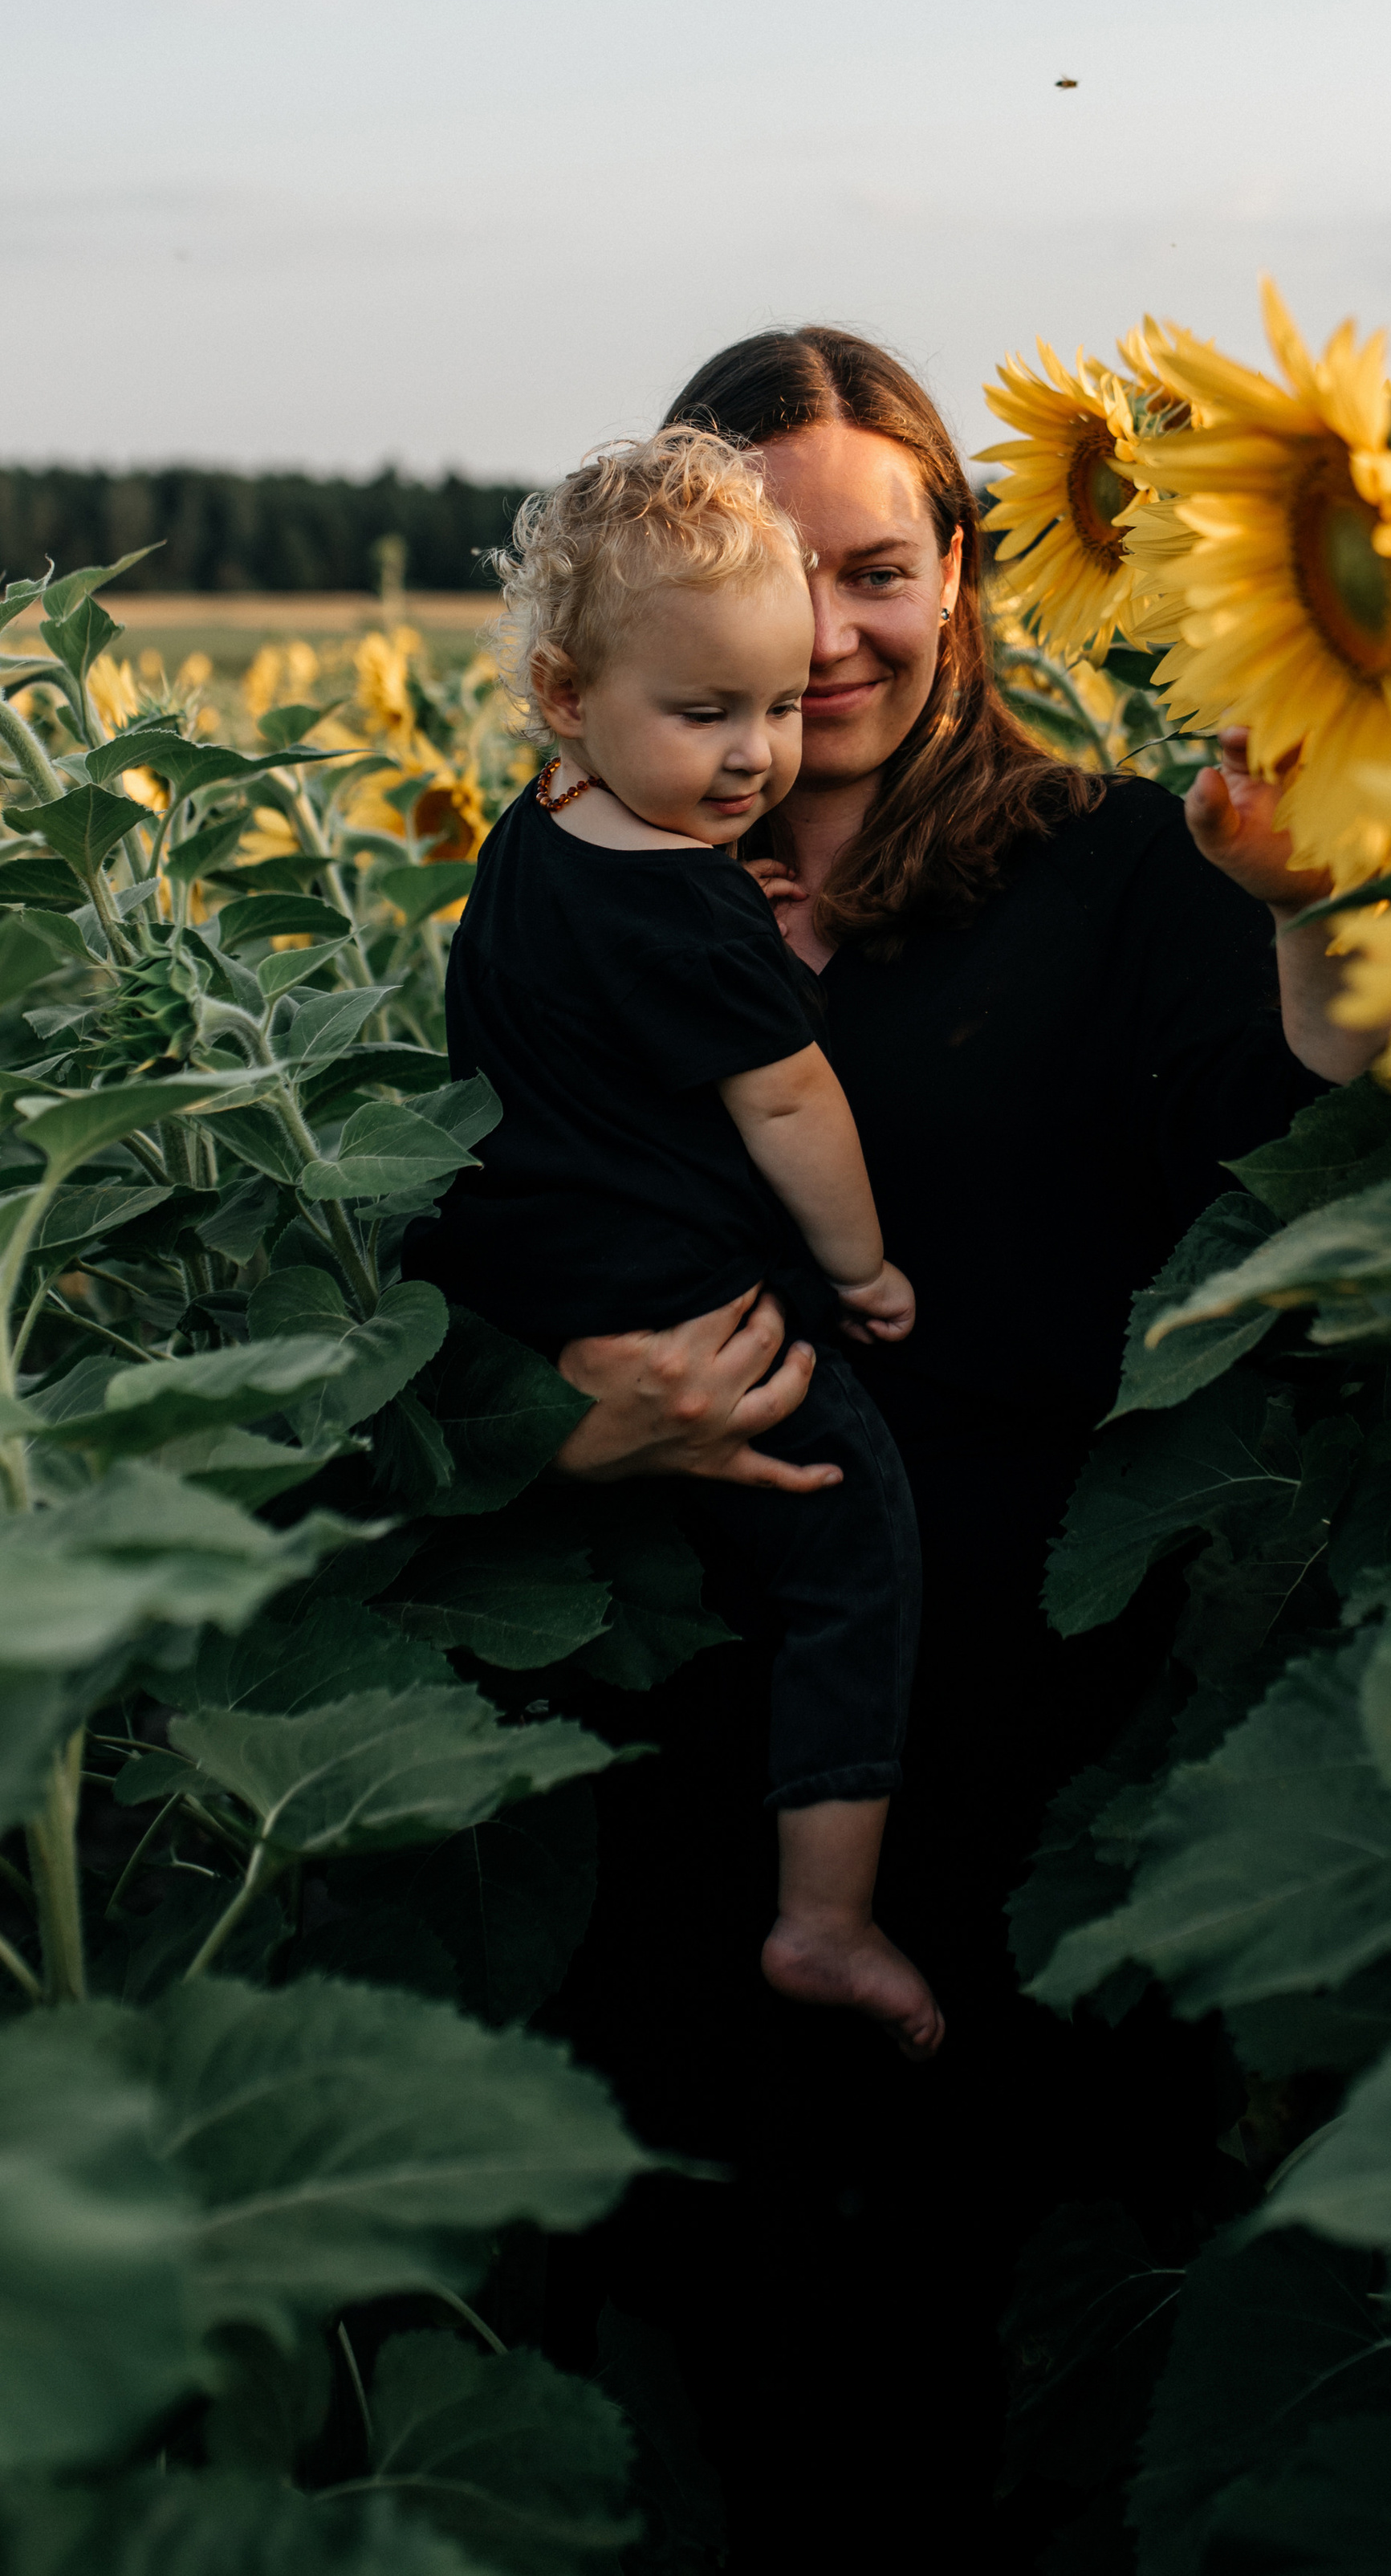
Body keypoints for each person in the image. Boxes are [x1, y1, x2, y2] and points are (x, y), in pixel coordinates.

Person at [538, 330, 1379, 2570]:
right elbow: (478, 1256)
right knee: (736, 2370)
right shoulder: (579, 895)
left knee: (995, 2373)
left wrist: (1312, 900)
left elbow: (1313, 1158)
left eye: (878, 567)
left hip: (1030, 1742)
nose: (823, 637)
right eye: (760, 573)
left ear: (966, 573)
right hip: (695, 1750)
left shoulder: (1118, 871)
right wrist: (568, 1416)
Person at [406, 424, 941, 2056]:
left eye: (776, 710)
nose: (756, 757)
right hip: (688, 1301)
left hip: (525, 1283)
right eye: (706, 714)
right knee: (859, 1555)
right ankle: (825, 1918)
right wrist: (859, 1272)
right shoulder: (694, 906)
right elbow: (788, 1112)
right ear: (569, 697)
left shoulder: (539, 834)